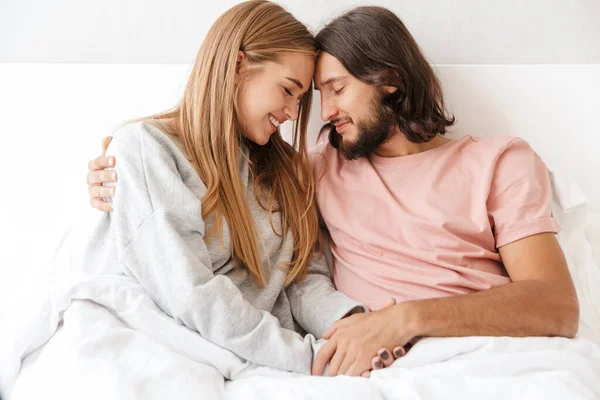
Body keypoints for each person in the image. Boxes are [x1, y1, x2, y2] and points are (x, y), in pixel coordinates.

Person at [88, 5, 580, 378]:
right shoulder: (312, 170)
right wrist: (119, 171)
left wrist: (400, 322)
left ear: (388, 80)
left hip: (484, 354)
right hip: (373, 363)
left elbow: (557, 307)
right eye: (309, 95)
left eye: (336, 90)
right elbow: (208, 232)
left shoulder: (498, 161)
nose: (322, 114)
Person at [78, 0, 370, 377]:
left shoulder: (285, 169)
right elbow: (189, 292)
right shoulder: (146, 148)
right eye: (287, 90)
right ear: (236, 65)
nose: (294, 113)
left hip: (253, 354)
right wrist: (306, 357)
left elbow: (300, 278)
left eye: (300, 99)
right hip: (150, 341)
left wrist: (351, 327)